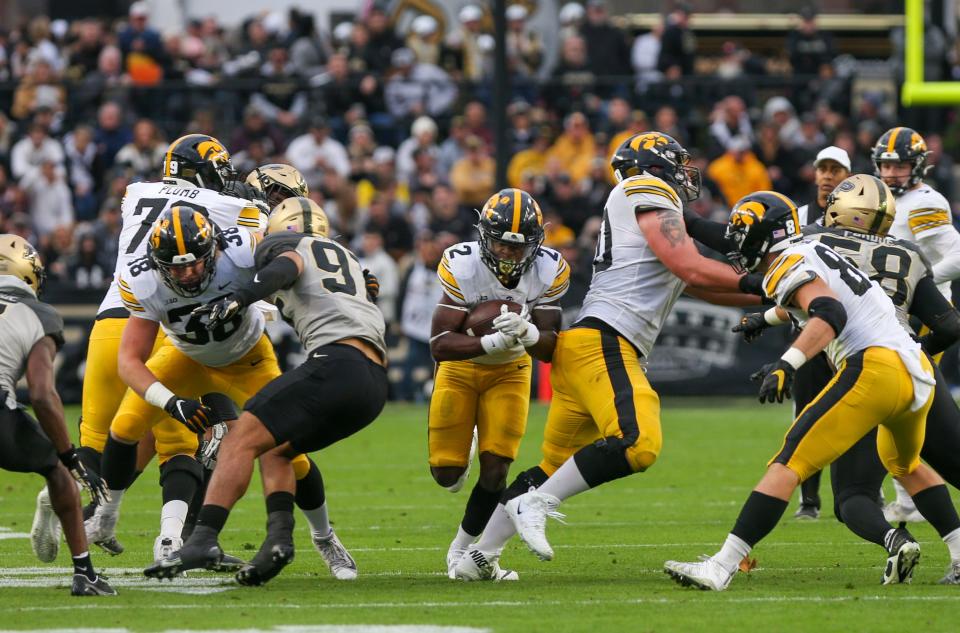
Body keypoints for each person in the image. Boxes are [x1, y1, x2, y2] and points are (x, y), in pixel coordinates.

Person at [455, 132, 751, 580]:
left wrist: (772, 301)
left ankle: (481, 556)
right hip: (606, 343)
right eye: (677, 163)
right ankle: (535, 503)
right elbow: (690, 267)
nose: (685, 172)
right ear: (656, 166)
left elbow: (701, 284)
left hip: (585, 347)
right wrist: (767, 282)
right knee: (638, 443)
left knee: (554, 468)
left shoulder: (646, 210)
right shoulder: (643, 189)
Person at [664, 191, 960, 591]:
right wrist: (765, 317)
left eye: (743, 236)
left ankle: (721, 565)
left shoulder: (791, 258)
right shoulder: (812, 246)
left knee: (789, 461)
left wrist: (788, 362)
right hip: (918, 372)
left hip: (876, 368)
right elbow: (822, 295)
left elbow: (829, 312)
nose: (736, 244)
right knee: (904, 465)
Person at [146, 197, 387, 585]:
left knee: (241, 436)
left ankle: (203, 538)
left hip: (337, 364)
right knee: (277, 448)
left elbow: (287, 265)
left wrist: (239, 297)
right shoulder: (346, 257)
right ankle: (279, 541)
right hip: (373, 384)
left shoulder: (286, 245)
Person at [76, 134, 265, 557]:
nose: (225, 179)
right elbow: (264, 250)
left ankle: (78, 521)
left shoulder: (135, 192)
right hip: (164, 321)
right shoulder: (227, 207)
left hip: (111, 319)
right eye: (219, 171)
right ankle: (174, 540)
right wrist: (259, 209)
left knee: (94, 441)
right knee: (186, 440)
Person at [431, 189, 568, 580]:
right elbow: (440, 345)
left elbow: (548, 348)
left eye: (518, 248)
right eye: (500, 245)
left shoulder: (549, 269)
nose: (508, 255)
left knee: (496, 470)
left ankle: (464, 550)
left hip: (510, 371)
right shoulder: (462, 265)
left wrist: (527, 332)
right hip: (461, 369)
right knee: (446, 474)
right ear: (483, 237)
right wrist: (487, 341)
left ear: (536, 244)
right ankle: (466, 443)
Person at [0, 235, 115, 596]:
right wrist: (68, 455)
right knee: (58, 471)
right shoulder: (39, 312)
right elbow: (43, 395)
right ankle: (84, 573)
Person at [874, 126, 960, 523]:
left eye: (900, 164)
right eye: (887, 164)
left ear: (918, 165)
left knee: (914, 406)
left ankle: (912, 495)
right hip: (895, 317)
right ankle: (907, 497)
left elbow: (957, 253)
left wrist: (918, 286)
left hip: (925, 318)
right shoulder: (882, 198)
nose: (891, 172)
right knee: (900, 407)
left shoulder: (924, 202)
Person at [790, 145, 851, 519]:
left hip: (850, 334)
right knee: (806, 414)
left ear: (848, 176)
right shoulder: (798, 218)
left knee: (859, 415)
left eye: (836, 170)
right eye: (823, 169)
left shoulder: (860, 216)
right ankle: (808, 500)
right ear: (814, 174)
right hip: (809, 330)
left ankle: (862, 492)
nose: (827, 176)